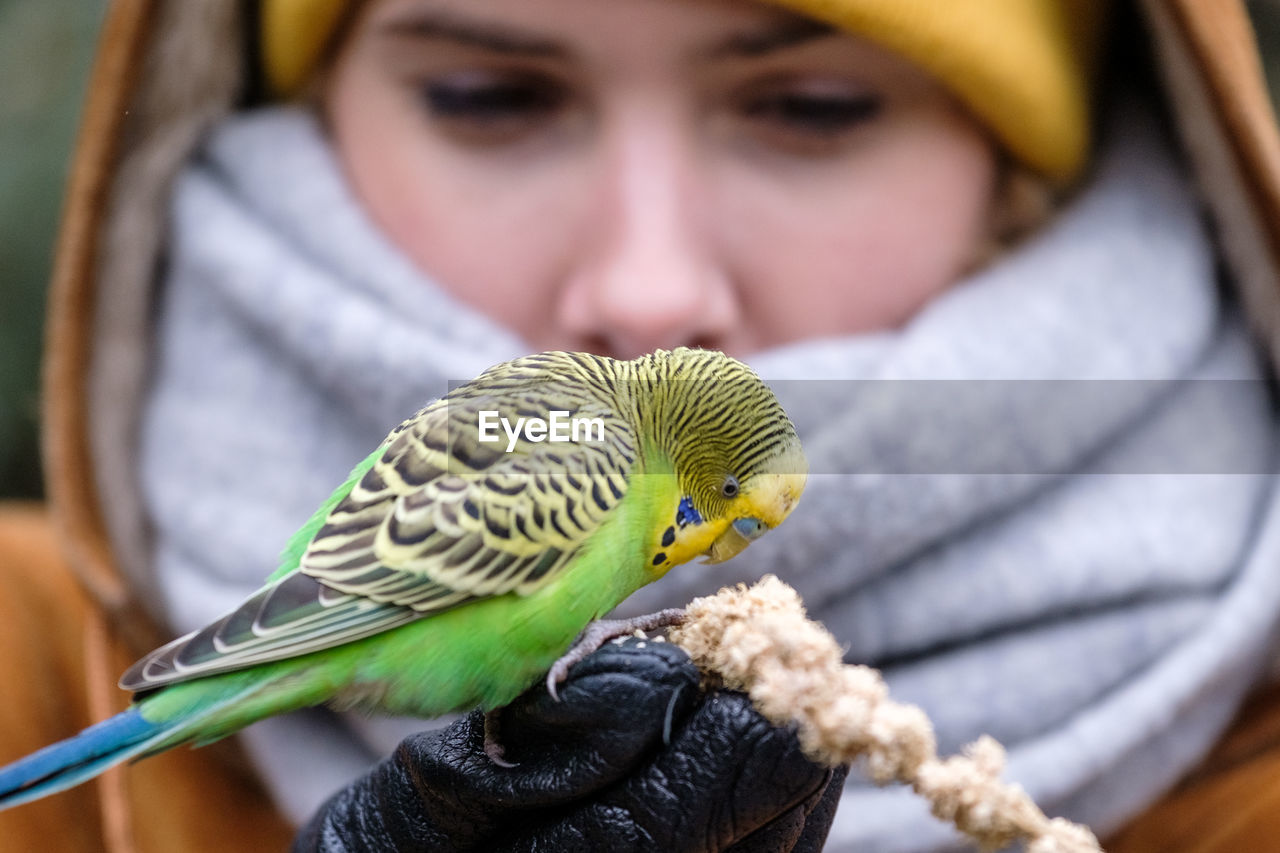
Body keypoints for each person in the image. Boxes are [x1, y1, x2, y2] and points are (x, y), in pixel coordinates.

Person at [6, 0, 1280, 849]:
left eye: (812, 107)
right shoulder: (587, 454)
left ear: (1028, 182)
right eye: (483, 91)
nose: (645, 288)